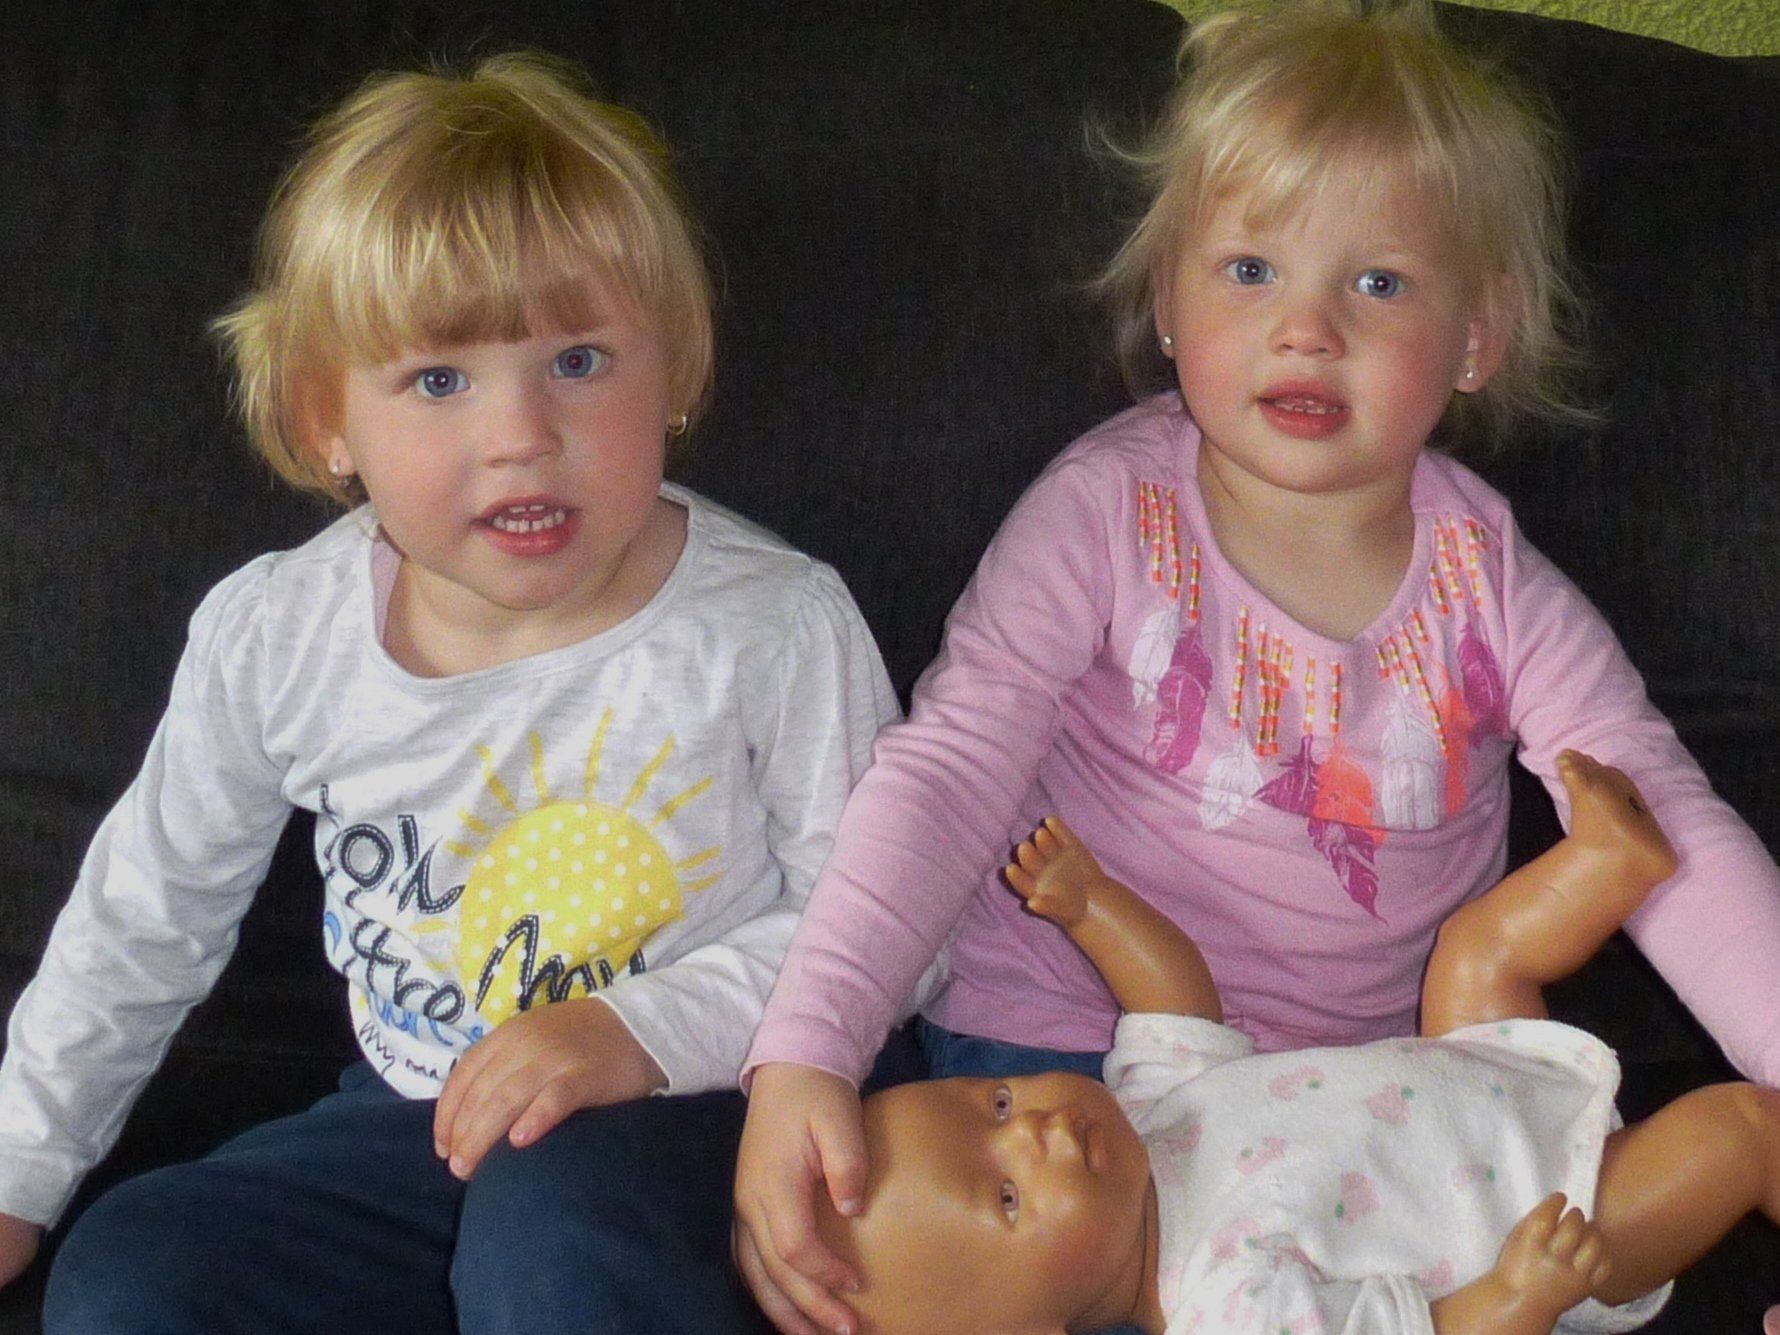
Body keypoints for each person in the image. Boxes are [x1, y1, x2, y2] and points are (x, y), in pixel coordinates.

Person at [732, 2, 1780, 1331]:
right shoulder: (1105, 512)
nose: (1306, 329)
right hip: (1067, 1055)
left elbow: (1658, 814)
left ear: (1477, 335)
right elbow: (949, 766)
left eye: (1378, 283)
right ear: (1167, 303)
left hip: (1377, 1102)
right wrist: (808, 1049)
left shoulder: (1491, 581)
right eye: (1248, 270)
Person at [0, 52, 897, 1333]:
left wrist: (633, 1029)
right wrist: (19, 1173)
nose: (520, 434)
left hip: (696, 1108)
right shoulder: (278, 633)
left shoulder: (773, 625)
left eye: (579, 361)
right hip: (415, 1117)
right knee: (135, 1271)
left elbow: (886, 926)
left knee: (551, 1239)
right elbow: (144, 916)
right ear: (326, 422)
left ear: (678, 374)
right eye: (438, 381)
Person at [823, 753, 1780, 1334]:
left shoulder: (1151, 1119)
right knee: (1744, 1128)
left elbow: (1175, 998)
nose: (1030, 1130)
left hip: (1475, 1062)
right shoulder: (1226, 1306)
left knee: (1472, 949)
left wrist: (1093, 906)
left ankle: (1610, 865)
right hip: (1558, 1210)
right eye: (1005, 1195)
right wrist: (1521, 1297)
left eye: (994, 1104)